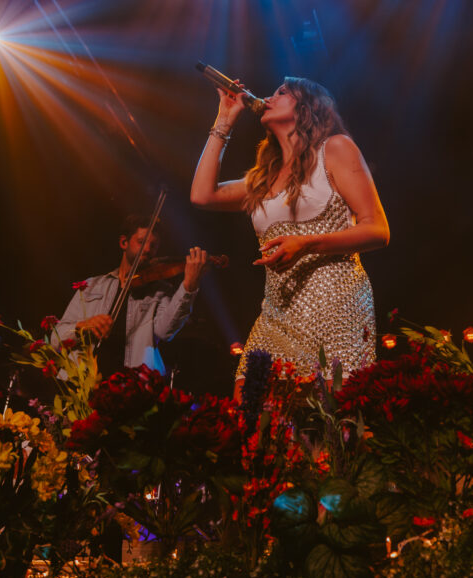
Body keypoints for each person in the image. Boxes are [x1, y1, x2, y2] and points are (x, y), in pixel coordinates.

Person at [190, 77, 389, 379]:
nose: (269, 97)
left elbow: (377, 229)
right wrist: (225, 118)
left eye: (282, 92)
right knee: (250, 408)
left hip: (334, 306)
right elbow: (202, 195)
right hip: (276, 312)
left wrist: (306, 243)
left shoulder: (335, 149)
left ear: (308, 108)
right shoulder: (261, 179)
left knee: (329, 414)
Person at [54, 215, 209, 376]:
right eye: (142, 242)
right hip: (83, 385)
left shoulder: (160, 290)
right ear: (123, 242)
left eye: (154, 245)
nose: (148, 249)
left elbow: (165, 331)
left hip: (132, 388)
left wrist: (189, 286)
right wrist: (84, 325)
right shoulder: (91, 286)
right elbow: (55, 339)